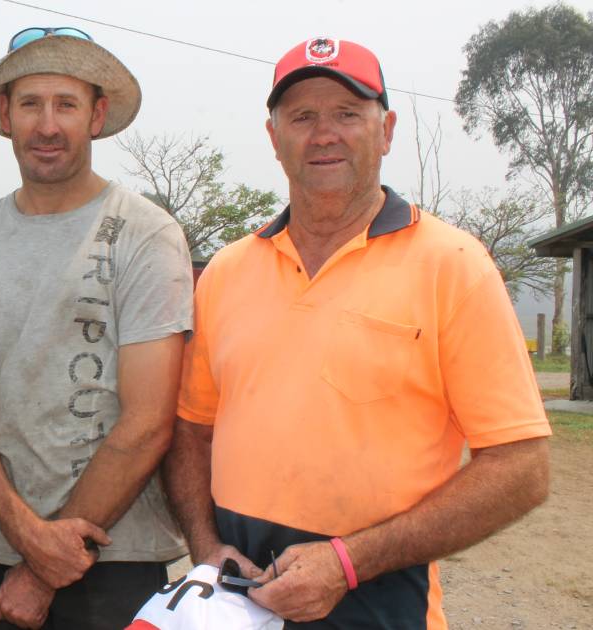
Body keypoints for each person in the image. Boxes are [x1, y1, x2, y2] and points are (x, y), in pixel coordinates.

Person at [163, 36, 551, 628]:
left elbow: (522, 465)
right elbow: (192, 430)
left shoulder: (453, 264)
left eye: (348, 114)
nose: (325, 134)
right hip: (241, 599)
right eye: (303, 117)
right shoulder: (227, 271)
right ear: (274, 137)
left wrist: (349, 560)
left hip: (382, 596)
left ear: (387, 129)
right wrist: (205, 543)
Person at [0, 27, 194, 630]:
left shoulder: (145, 235)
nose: (47, 125)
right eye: (30, 104)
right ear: (5, 114)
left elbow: (149, 420)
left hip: (120, 556)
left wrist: (46, 567)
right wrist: (27, 539)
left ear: (97, 116)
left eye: (66, 104)